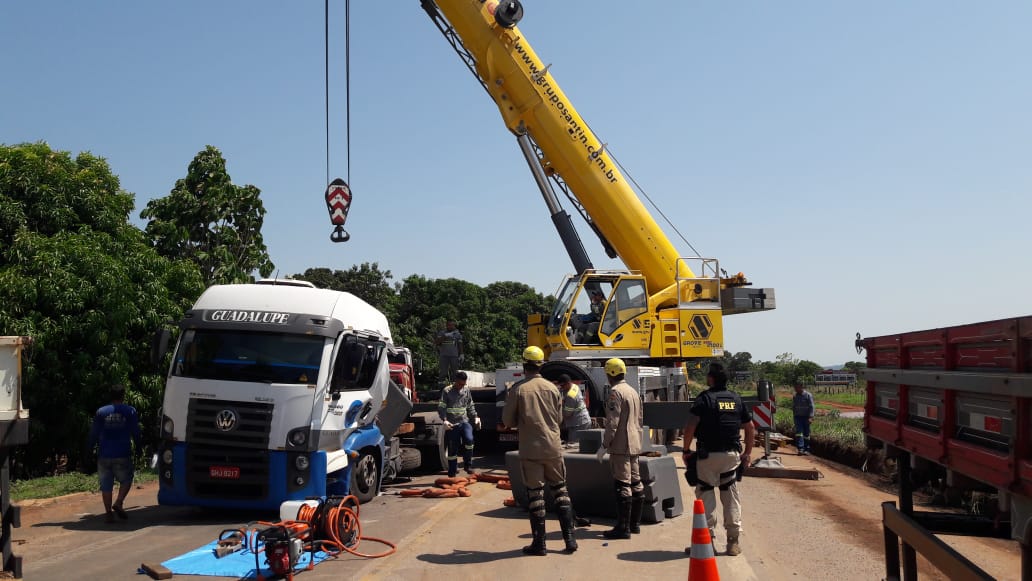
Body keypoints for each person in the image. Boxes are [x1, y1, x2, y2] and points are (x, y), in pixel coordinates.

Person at [502, 346, 578, 555]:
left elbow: (507, 420)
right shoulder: (553, 388)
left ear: (524, 364)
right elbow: (560, 419)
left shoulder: (518, 389)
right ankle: (570, 540)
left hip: (531, 449)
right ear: (541, 365)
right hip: (553, 447)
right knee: (561, 491)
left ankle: (540, 544)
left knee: (536, 496)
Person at [681, 363, 755, 556]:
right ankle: (733, 543)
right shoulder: (736, 399)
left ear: (711, 379)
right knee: (730, 497)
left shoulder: (704, 399)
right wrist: (747, 453)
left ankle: (707, 544)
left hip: (707, 457)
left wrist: (686, 449)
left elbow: (690, 426)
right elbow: (750, 428)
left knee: (706, 496)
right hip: (731, 457)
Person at [601, 358, 644, 540]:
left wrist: (605, 444)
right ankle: (635, 524)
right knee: (636, 482)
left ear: (610, 374)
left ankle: (623, 527)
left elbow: (613, 422)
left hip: (621, 444)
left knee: (622, 484)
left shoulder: (615, 393)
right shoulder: (633, 391)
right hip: (634, 442)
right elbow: (640, 418)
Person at [88, 384, 141, 523]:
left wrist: (88, 449)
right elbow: (135, 431)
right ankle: (119, 502)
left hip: (104, 454)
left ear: (111, 395)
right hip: (122, 453)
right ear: (123, 395)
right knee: (127, 480)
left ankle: (108, 514)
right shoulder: (130, 411)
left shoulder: (101, 412)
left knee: (106, 485)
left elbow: (94, 433)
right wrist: (140, 447)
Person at [438, 371, 481, 477]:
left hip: (464, 422)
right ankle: (452, 472)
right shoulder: (447, 391)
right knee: (453, 448)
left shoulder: (466, 390)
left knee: (469, 440)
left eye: (464, 384)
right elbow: (441, 406)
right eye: (460, 384)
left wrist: (475, 417)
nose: (462, 386)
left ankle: (468, 465)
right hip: (452, 424)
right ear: (455, 381)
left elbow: (470, 405)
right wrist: (444, 420)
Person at [558, 374, 591, 445]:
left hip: (578, 424)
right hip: (583, 420)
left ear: (568, 383)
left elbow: (567, 414)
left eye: (563, 385)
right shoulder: (574, 386)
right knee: (583, 444)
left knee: (574, 445)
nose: (562, 387)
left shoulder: (571, 396)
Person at [792, 381, 815, 455]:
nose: (795, 389)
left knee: (806, 434)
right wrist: (794, 417)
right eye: (795, 387)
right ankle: (800, 449)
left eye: (797, 387)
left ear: (801, 387)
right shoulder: (795, 396)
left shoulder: (808, 395)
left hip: (806, 417)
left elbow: (812, 406)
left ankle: (806, 449)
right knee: (799, 433)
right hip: (798, 417)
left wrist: (811, 417)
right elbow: (794, 407)